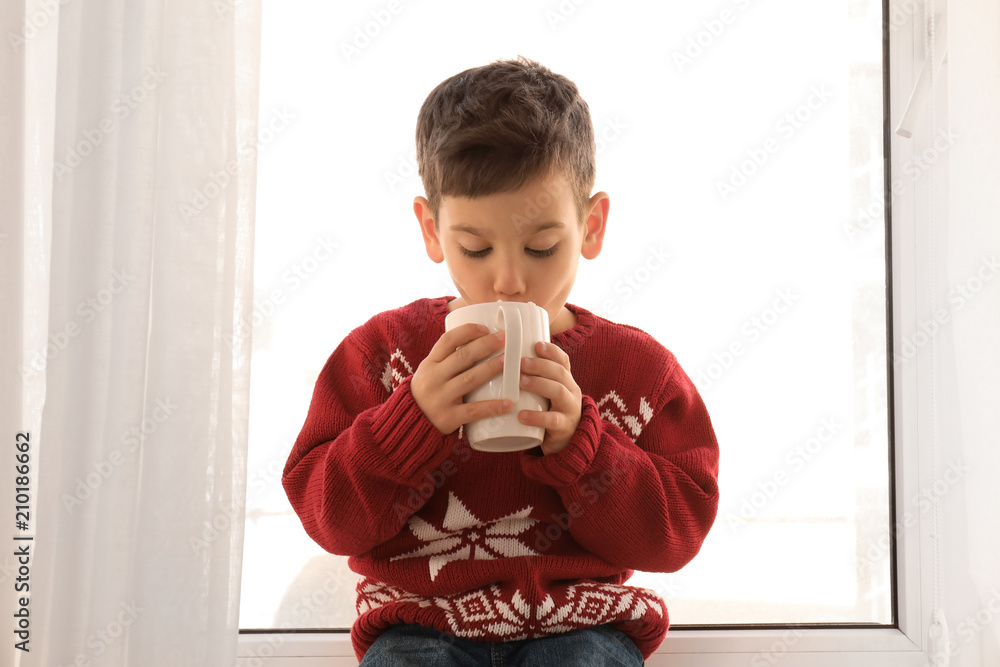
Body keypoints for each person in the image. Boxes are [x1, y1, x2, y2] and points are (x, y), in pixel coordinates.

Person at [282, 55, 720, 666]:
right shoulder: (382, 356)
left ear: (591, 227)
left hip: (579, 631)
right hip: (420, 630)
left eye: (542, 246)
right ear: (432, 232)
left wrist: (583, 446)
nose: (509, 280)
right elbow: (328, 518)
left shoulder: (637, 371)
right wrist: (408, 422)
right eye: (475, 247)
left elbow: (679, 531)